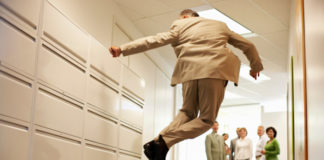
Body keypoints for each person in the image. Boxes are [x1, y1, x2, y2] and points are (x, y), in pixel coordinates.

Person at [109, 9, 263, 160]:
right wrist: (255, 67)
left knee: (187, 112)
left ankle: (157, 143)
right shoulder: (220, 25)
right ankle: (163, 142)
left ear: (184, 17)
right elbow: (248, 45)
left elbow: (153, 40)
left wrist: (122, 49)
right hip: (214, 70)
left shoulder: (180, 25)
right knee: (206, 120)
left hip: (188, 72)